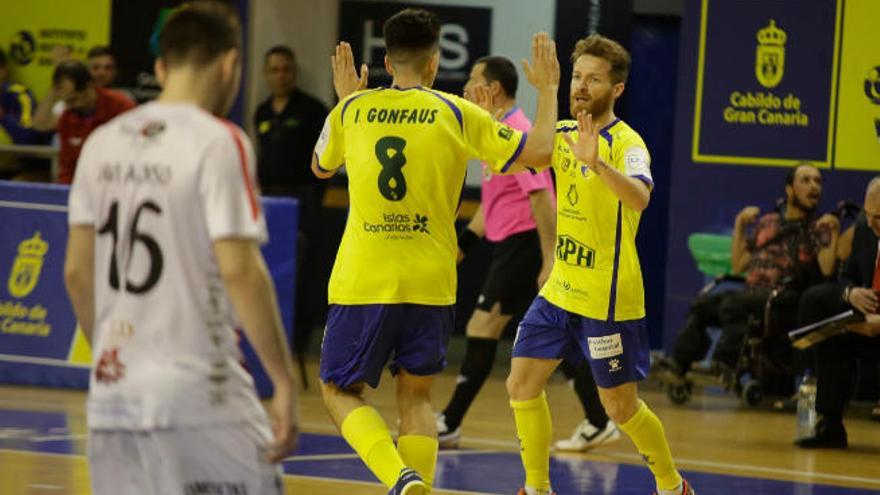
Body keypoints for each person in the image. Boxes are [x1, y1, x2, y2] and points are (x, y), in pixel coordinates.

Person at [312, 8, 559, 494]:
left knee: (339, 390)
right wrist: (548, 89)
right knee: (417, 396)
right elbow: (542, 153)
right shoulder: (457, 111)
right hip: (432, 279)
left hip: (364, 278)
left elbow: (321, 169)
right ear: (434, 62)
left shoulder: (352, 111)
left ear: (386, 59)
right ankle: (415, 483)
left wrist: (346, 102)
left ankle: (399, 477)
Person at [63, 3, 300, 494]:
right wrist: (282, 380)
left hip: (113, 395)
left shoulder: (101, 143)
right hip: (198, 393)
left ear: (160, 66)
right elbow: (241, 271)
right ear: (230, 64)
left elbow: (76, 274)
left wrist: (114, 355)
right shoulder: (219, 141)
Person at [503, 34, 694, 495]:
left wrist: (599, 167)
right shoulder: (564, 133)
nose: (582, 87)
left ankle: (672, 486)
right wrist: (535, 97)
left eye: (594, 79)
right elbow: (522, 154)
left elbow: (641, 197)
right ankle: (536, 488)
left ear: (618, 89)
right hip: (561, 290)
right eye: (577, 77)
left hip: (607, 299)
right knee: (520, 383)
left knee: (619, 408)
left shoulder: (628, 143)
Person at [434, 55, 618, 452]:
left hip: (526, 244)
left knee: (482, 328)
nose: (465, 87)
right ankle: (599, 418)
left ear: (493, 88)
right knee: (558, 337)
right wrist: (461, 248)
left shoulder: (516, 132)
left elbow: (541, 197)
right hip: (511, 245)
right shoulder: (491, 132)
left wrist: (549, 258)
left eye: (472, 79)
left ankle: (448, 422)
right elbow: (492, 204)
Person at [659, 164, 839, 383]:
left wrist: (833, 232)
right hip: (751, 297)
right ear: (789, 190)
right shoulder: (768, 223)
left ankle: (724, 363)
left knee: (733, 305)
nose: (814, 187)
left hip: (784, 301)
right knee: (703, 305)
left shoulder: (818, 228)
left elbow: (828, 269)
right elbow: (739, 265)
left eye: (818, 181)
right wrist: (740, 225)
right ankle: (678, 365)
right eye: (806, 180)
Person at [254, 44, 329, 358]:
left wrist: (313, 198)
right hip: (269, 201)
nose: (280, 75)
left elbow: (326, 160)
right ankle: (262, 341)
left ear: (294, 72)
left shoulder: (312, 110)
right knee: (265, 270)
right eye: (274, 69)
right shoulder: (262, 112)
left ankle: (296, 344)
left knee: (301, 273)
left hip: (302, 200)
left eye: (286, 69)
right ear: (266, 74)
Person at [795, 177, 880, 448]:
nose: (873, 223)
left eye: (879, 218)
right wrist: (850, 293)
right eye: (869, 216)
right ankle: (830, 425)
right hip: (869, 320)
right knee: (828, 329)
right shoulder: (865, 231)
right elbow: (846, 276)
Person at [53, 59, 135, 183]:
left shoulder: (121, 107)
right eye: (66, 101)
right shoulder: (66, 118)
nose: (69, 106)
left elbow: (137, 153)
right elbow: (67, 168)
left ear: (89, 86)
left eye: (73, 99)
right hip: (85, 188)